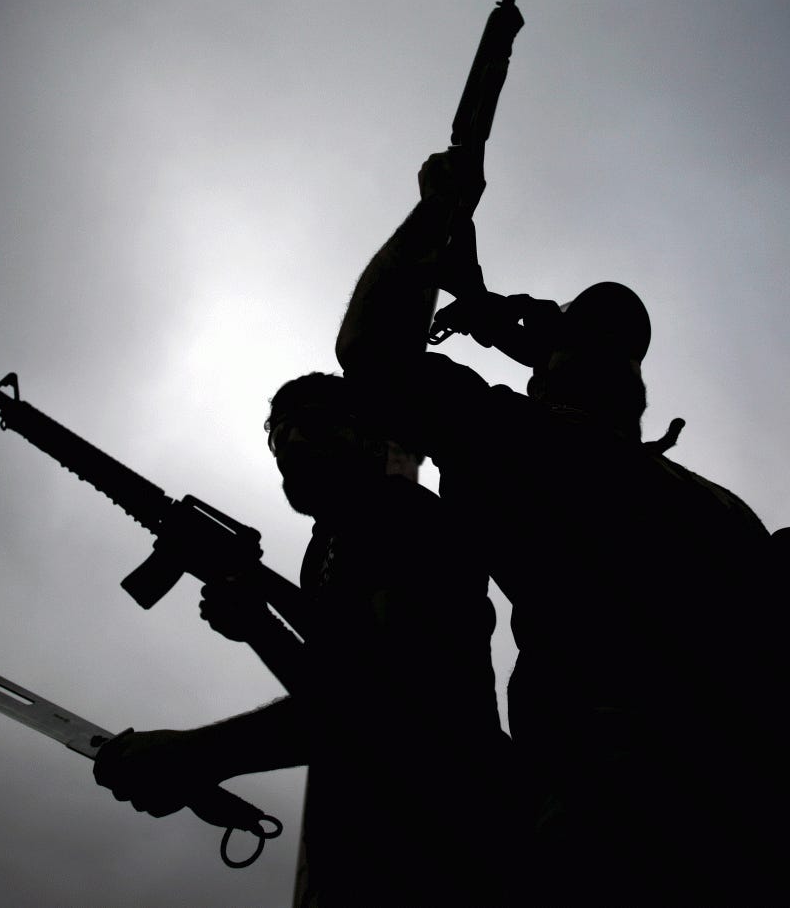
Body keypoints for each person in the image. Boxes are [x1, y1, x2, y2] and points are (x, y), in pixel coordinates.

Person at [333, 148, 790, 905]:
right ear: (540, 370)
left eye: (627, 342)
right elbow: (374, 353)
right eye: (586, 333)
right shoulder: (520, 446)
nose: (612, 347)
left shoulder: (726, 512)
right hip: (644, 851)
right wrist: (441, 209)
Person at [93, 372, 512, 908]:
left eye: (312, 424)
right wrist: (259, 626)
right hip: (367, 855)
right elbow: (338, 687)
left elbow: (389, 708)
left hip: (444, 845)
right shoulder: (324, 550)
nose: (290, 443)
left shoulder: (404, 516)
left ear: (365, 436)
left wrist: (196, 753)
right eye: (278, 434)